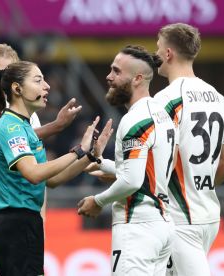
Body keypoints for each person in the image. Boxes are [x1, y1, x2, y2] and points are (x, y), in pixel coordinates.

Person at [0, 60, 113, 275]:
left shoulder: (25, 127)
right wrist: (78, 151)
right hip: (14, 226)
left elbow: (51, 179)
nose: (47, 86)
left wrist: (90, 154)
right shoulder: (11, 127)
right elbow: (34, 174)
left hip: (26, 223)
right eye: (38, 80)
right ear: (17, 89)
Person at [78, 45, 176, 276]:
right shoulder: (161, 115)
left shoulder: (135, 120)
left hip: (137, 227)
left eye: (116, 71)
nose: (108, 77)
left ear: (137, 78)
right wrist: (102, 163)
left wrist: (98, 201)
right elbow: (145, 172)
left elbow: (132, 181)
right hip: (162, 225)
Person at [154, 23, 224, 276]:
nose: (155, 54)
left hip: (181, 217)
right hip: (208, 214)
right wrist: (200, 186)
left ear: (168, 53)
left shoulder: (165, 101)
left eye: (158, 48)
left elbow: (157, 161)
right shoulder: (219, 98)